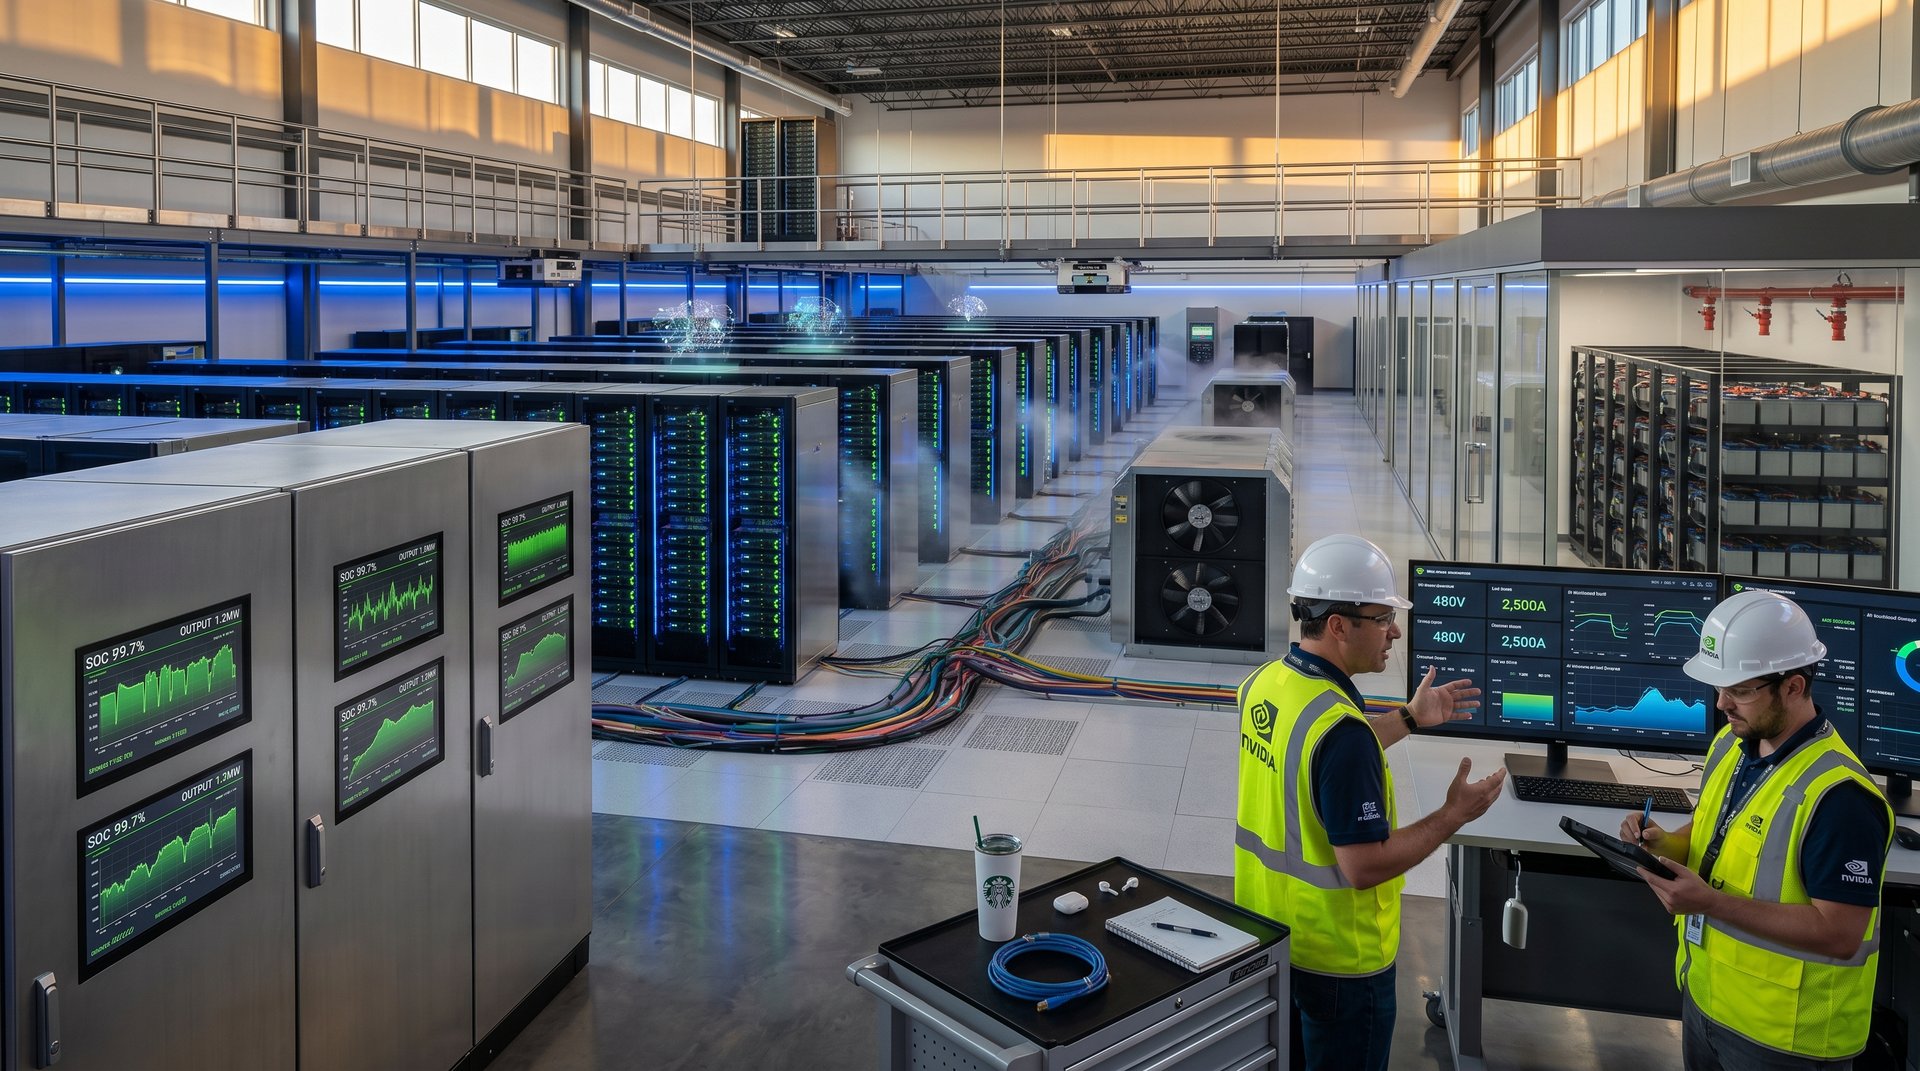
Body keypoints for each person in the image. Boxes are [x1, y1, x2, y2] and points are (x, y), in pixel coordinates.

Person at [1234, 534, 1506, 1071]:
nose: (1395, 631)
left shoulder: (1265, 684)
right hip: (1340, 964)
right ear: (1339, 624)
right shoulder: (1341, 731)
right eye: (1383, 617)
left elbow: (1316, 764)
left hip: (1270, 940)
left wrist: (1406, 718)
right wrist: (1453, 816)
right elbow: (1364, 866)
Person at [1621, 589, 1891, 1071]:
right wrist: (1669, 843)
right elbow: (1723, 839)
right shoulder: (1733, 743)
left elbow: (1840, 935)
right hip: (1709, 1002)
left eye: (1741, 690)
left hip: (1785, 1040)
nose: (1722, 703)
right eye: (1719, 687)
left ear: (1793, 686)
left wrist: (1710, 903)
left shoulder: (1839, 798)